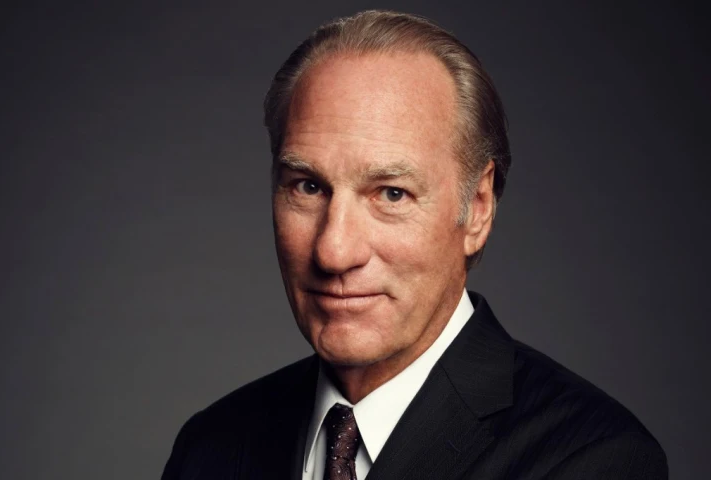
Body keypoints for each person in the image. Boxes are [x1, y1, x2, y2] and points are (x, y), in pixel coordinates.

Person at [161, 10, 667, 480]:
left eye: (391, 193)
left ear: (478, 208)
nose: (333, 252)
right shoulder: (209, 448)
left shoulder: (592, 459)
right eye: (308, 187)